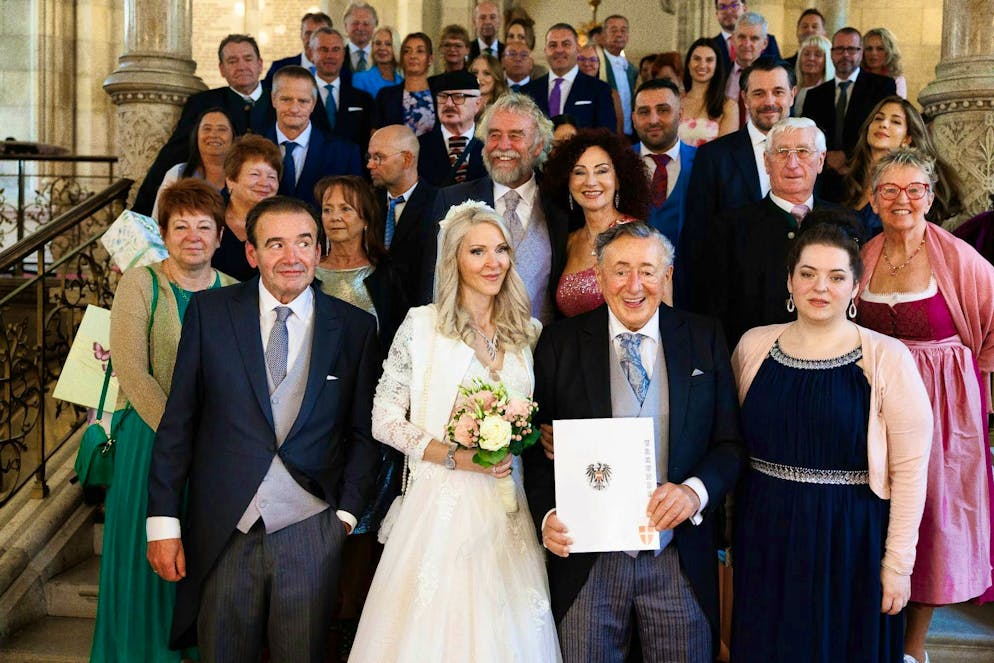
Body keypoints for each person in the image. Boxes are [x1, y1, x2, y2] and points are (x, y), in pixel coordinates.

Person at [146, 195, 382, 661]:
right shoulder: (210, 313)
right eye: (275, 244)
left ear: (319, 251)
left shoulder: (354, 328)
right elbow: (178, 425)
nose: (291, 256)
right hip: (223, 529)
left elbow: (363, 433)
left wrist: (345, 517)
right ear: (252, 254)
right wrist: (163, 525)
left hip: (311, 528)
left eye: (303, 243)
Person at [349, 201, 561, 662]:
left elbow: (537, 413)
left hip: (508, 506)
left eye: (501, 249)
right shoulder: (422, 326)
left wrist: (540, 436)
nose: (493, 262)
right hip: (440, 507)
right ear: (454, 260)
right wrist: (456, 456)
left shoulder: (527, 333)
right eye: (477, 252)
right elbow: (384, 419)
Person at [524, 221, 744, 662]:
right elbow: (534, 448)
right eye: (621, 270)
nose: (634, 285)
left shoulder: (704, 337)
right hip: (589, 561)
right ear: (599, 276)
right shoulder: (560, 343)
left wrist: (694, 493)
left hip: (678, 557)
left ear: (667, 275)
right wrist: (547, 515)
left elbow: (730, 445)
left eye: (647, 271)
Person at [730, 216, 932, 662]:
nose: (820, 287)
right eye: (808, 274)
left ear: (855, 287)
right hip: (765, 534)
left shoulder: (889, 359)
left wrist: (898, 565)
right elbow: (731, 446)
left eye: (837, 277)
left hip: (851, 541)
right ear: (790, 281)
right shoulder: (751, 348)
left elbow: (911, 473)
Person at [854, 148, 994, 663]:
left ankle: (913, 652)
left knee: (929, 519)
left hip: (942, 409)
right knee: (878, 513)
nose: (903, 200)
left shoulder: (958, 258)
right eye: (890, 190)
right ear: (873, 199)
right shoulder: (863, 256)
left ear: (930, 198)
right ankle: (876, 639)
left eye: (915, 189)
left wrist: (975, 392)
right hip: (874, 404)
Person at [91, 180, 237, 663]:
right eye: (181, 227)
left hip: (215, 451)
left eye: (204, 227)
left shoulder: (235, 292)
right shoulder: (140, 283)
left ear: (220, 236)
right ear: (163, 233)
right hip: (149, 441)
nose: (193, 236)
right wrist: (181, 438)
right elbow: (133, 372)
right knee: (148, 556)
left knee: (200, 558)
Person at [425, 93, 567, 323]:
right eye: (494, 135)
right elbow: (435, 282)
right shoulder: (452, 200)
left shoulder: (561, 204)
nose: (503, 146)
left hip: (545, 340)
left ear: (538, 146)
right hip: (471, 339)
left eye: (515, 136)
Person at [698, 117, 830, 347]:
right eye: (782, 152)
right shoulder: (729, 229)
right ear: (767, 162)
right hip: (754, 358)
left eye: (803, 151)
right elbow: (714, 313)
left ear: (820, 160)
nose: (792, 163)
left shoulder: (846, 224)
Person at [679, 57, 796, 307]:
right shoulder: (714, 157)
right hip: (735, 300)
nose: (769, 102)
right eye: (759, 93)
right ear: (745, 98)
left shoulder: (814, 153)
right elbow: (696, 239)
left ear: (793, 95)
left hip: (801, 299)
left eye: (778, 92)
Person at [132, 34, 275, 216]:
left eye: (248, 59)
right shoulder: (202, 103)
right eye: (232, 61)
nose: (241, 66)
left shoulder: (280, 101)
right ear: (222, 69)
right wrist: (139, 213)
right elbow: (173, 154)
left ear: (260, 64)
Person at [541, 128, 650, 317]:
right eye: (579, 172)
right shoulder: (569, 242)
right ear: (567, 182)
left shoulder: (639, 237)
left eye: (601, 171)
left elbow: (662, 314)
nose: (590, 182)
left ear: (618, 180)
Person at [843, 96, 963, 237]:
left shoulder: (914, 186)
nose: (883, 124)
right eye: (878, 118)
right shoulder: (847, 180)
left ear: (907, 138)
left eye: (895, 121)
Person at [314, 175, 407, 350]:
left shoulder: (386, 274)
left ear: (365, 218)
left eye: (345, 209)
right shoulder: (308, 274)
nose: (335, 217)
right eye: (327, 210)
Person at [263, 66, 362, 209]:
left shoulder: (344, 153)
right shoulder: (251, 148)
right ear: (273, 99)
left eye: (303, 101)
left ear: (313, 104)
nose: (294, 109)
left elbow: (354, 207)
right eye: (286, 100)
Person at [801, 27, 897, 174]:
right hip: (824, 173)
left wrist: (846, 155)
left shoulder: (882, 86)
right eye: (839, 49)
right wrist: (828, 159)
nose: (845, 54)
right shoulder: (815, 95)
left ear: (861, 52)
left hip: (865, 171)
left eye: (851, 49)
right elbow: (808, 134)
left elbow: (884, 129)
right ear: (832, 53)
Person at [367, 124, 439, 308]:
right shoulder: (367, 202)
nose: (370, 165)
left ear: (407, 159)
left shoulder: (439, 204)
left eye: (379, 157)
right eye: (370, 157)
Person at [633, 79, 697, 249]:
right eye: (644, 112)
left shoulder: (703, 162)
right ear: (634, 119)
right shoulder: (617, 163)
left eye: (663, 110)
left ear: (680, 115)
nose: (653, 120)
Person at [212, 134, 281, 281]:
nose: (265, 183)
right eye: (255, 174)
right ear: (231, 180)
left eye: (271, 177)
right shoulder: (209, 216)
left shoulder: (284, 223)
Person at [523, 23, 617, 130]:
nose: (559, 50)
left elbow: (607, 134)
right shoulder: (528, 91)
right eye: (553, 45)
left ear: (578, 49)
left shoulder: (600, 90)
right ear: (545, 50)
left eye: (566, 44)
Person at [152, 108, 234, 220]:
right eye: (207, 128)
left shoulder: (245, 175)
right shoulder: (177, 173)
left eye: (222, 129)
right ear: (196, 135)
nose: (213, 134)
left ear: (233, 136)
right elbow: (157, 221)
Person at [308, 27, 375, 157]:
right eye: (323, 49)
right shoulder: (300, 98)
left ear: (344, 54)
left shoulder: (364, 99)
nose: (330, 56)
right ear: (311, 54)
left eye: (336, 49)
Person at [417, 70, 486, 187]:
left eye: (458, 97)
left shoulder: (490, 144)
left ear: (477, 104)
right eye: (442, 97)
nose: (448, 104)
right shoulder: (419, 146)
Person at [373, 33, 436, 136]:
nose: (413, 56)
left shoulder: (440, 95)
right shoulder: (385, 95)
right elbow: (375, 133)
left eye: (420, 51)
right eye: (407, 51)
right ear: (402, 58)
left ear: (430, 59)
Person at [679, 38, 737, 146]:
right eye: (697, 59)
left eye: (709, 60)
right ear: (688, 63)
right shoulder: (676, 101)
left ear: (716, 66)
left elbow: (725, 150)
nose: (702, 65)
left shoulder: (728, 106)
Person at [725, 12, 774, 128]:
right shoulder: (720, 73)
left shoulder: (775, 77)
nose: (747, 44)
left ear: (765, 43)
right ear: (733, 39)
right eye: (741, 37)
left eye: (754, 38)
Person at [263, 12, 334, 89]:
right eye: (308, 34)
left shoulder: (341, 70)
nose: (312, 40)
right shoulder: (279, 68)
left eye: (319, 34)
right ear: (301, 35)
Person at [712, 0, 780, 71]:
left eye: (734, 5)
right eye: (722, 7)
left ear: (744, 8)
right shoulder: (710, 46)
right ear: (717, 14)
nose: (729, 11)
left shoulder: (769, 41)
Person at [577, 43, 625, 135]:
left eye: (593, 59)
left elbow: (618, 129)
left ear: (600, 63)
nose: (587, 63)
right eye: (582, 59)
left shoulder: (611, 93)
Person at [601, 15, 638, 136]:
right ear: (604, 34)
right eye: (614, 30)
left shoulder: (631, 68)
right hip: (606, 132)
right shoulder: (596, 63)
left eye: (623, 30)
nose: (619, 34)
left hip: (630, 134)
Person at [352, 26, 404, 99]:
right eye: (378, 43)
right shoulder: (360, 79)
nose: (382, 48)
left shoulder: (402, 81)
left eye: (388, 44)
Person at [793, 34, 834, 116]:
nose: (811, 58)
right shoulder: (791, 87)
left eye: (818, 55)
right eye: (806, 54)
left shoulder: (831, 93)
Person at [862, 28, 907, 99]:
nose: (873, 53)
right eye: (869, 49)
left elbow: (897, 104)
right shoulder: (856, 75)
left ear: (889, 52)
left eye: (880, 49)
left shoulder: (897, 80)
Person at [342, 2, 378, 83]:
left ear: (374, 27)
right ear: (345, 26)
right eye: (355, 23)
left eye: (366, 24)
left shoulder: (382, 57)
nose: (360, 28)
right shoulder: (337, 56)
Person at [469, 53, 510, 120]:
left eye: (486, 73)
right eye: (475, 73)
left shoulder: (506, 107)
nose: (479, 78)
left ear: (496, 77)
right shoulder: (460, 104)